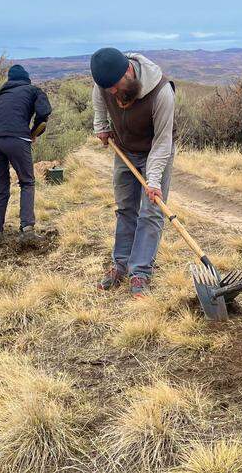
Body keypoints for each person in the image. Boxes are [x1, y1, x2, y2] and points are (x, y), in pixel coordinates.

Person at [90, 47, 176, 298]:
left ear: (129, 70)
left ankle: (140, 271)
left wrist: (153, 179)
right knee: (126, 208)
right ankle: (121, 264)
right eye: (108, 88)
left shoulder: (162, 92)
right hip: (124, 150)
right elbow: (99, 100)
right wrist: (101, 126)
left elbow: (163, 143)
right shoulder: (105, 84)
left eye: (115, 86)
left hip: (155, 151)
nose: (112, 92)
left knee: (151, 212)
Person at [0, 64, 52, 244]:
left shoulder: (1, 93)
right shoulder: (33, 90)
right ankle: (27, 229)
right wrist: (34, 132)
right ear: (26, 78)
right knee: (27, 182)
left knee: (0, 188)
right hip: (17, 139)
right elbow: (44, 112)